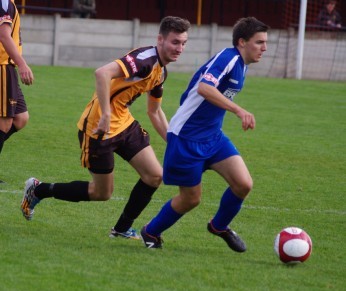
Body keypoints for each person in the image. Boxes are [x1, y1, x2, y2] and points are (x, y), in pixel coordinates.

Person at [21, 16, 191, 240]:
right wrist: (106, 114)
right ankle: (39, 189)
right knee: (101, 193)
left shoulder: (160, 71)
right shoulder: (144, 60)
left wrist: (175, 142)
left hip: (124, 124)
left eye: (183, 43)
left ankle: (121, 229)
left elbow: (155, 112)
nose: (179, 48)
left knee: (154, 176)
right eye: (175, 42)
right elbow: (102, 73)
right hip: (98, 129)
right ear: (160, 39)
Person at [141, 17, 269, 251]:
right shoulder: (228, 57)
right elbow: (204, 88)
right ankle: (150, 232)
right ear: (242, 42)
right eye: (259, 42)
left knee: (243, 184)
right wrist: (239, 110)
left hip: (213, 137)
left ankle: (219, 226)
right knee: (191, 199)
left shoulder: (242, 65)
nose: (265, 48)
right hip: (187, 138)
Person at [0, 0, 34, 182]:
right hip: (2, 66)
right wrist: (22, 64)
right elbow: (4, 35)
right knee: (4, 123)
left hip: (8, 67)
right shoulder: (4, 2)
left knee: (21, 119)